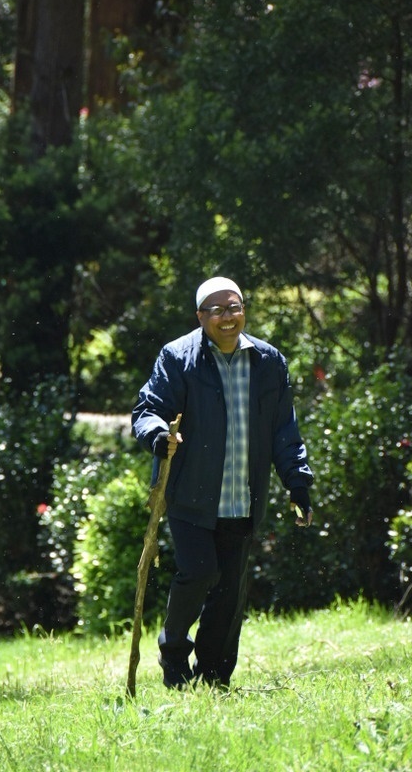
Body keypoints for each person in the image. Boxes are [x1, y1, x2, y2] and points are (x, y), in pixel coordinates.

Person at [132, 276, 314, 690]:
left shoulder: (269, 362)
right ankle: (174, 655)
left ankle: (214, 678)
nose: (227, 317)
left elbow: (284, 430)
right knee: (198, 573)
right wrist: (159, 436)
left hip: (242, 499)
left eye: (234, 307)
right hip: (190, 496)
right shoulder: (178, 358)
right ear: (201, 317)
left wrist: (297, 484)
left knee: (230, 596)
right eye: (217, 310)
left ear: (243, 310)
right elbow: (148, 408)